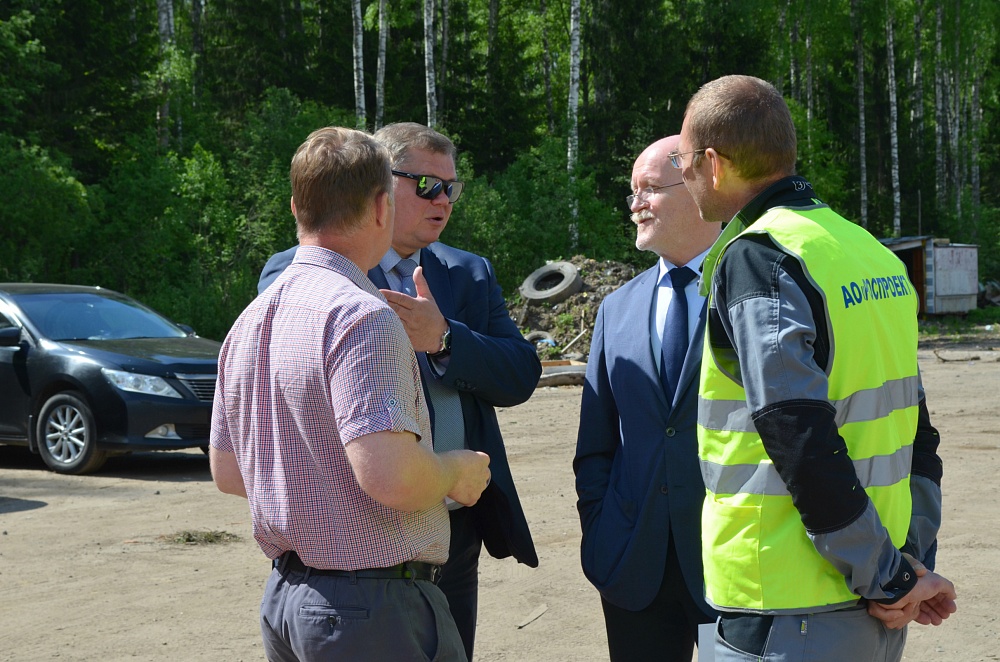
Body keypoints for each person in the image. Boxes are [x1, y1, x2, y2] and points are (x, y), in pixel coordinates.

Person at [675, 74, 957, 661]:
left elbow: (797, 431)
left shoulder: (760, 256)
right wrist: (908, 561)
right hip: (873, 603)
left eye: (683, 161)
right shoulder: (866, 251)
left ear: (713, 162)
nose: (683, 176)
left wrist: (889, 577)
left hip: (786, 605)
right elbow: (915, 430)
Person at [258, 122, 541, 661]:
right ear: (380, 188)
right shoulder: (302, 271)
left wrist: (444, 339)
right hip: (358, 548)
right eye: (427, 185)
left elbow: (520, 374)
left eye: (451, 188)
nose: (444, 201)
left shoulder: (469, 273)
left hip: (452, 530)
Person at [573, 135, 720, 662]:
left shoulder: (749, 289)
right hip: (634, 568)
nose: (635, 204)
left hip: (733, 565)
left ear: (700, 187)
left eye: (649, 189)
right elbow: (595, 443)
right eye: (632, 191)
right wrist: (601, 532)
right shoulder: (617, 308)